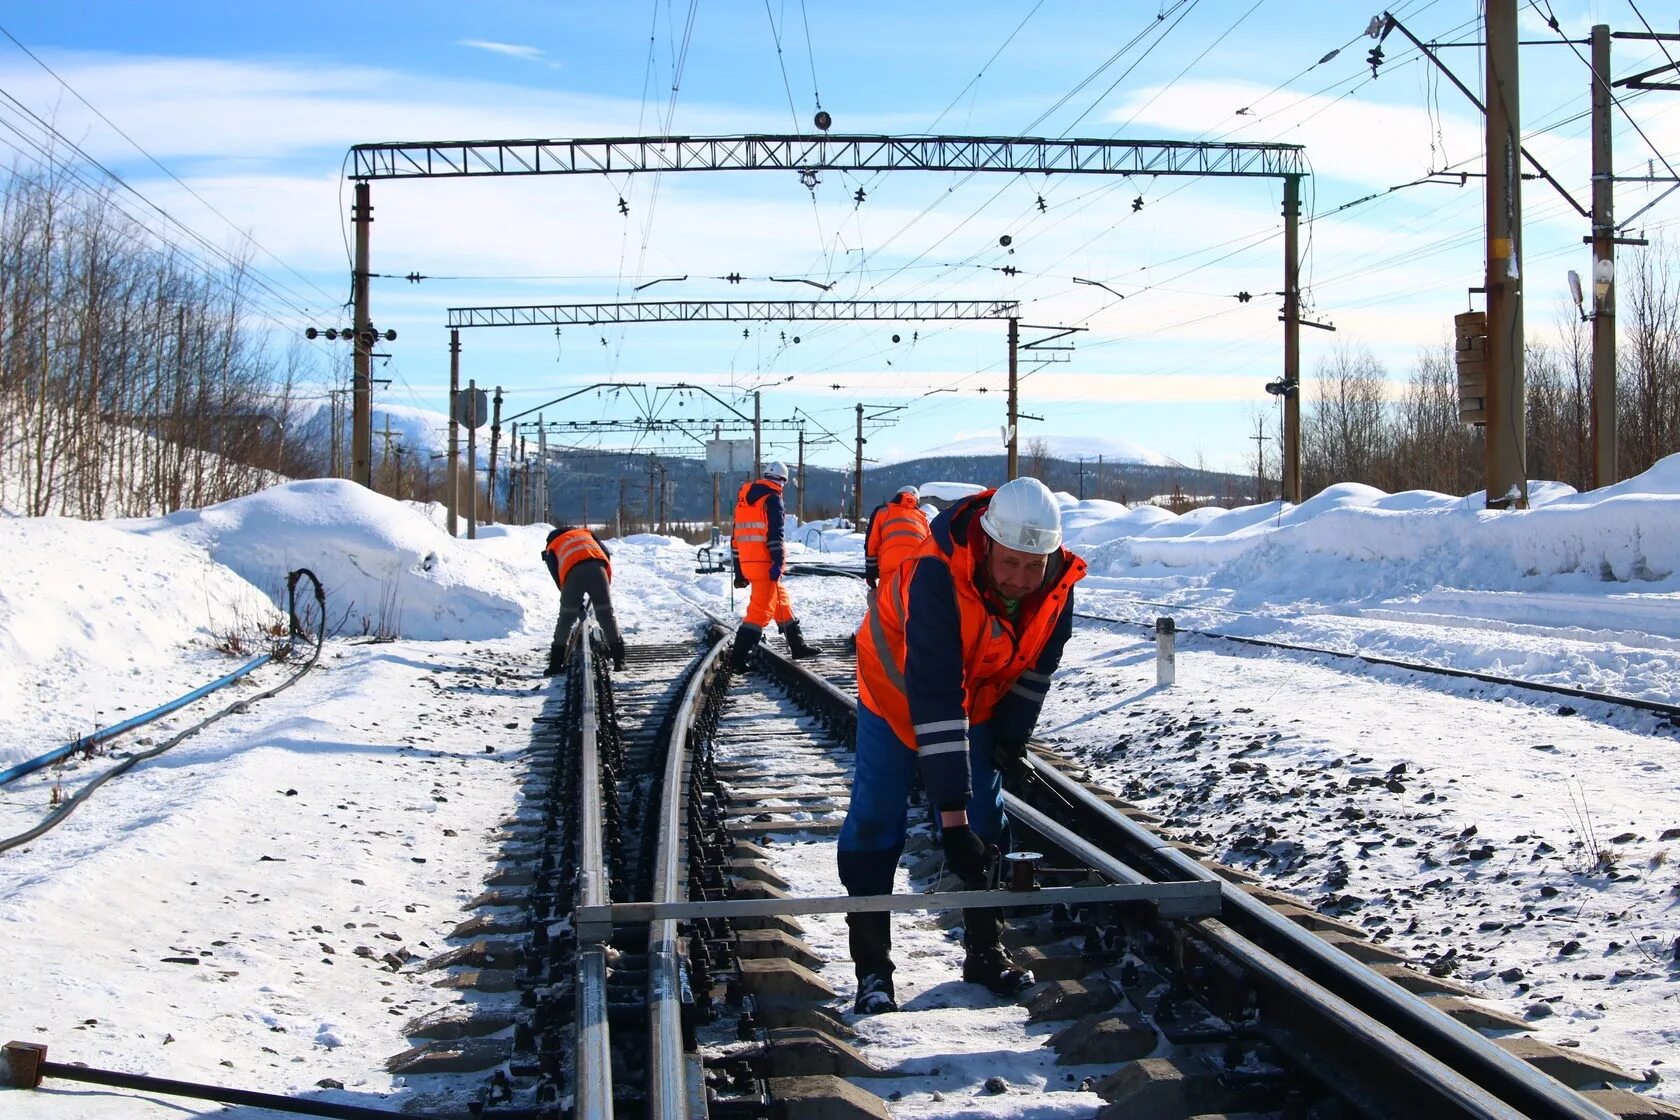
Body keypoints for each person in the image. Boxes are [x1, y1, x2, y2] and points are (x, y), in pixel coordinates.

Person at [838, 476, 1085, 1014]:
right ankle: (872, 968)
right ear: (988, 545)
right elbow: (934, 689)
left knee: (986, 816)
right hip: (895, 684)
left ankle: (985, 949)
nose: (1020, 579)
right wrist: (949, 817)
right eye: (1009, 563)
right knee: (878, 816)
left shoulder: (1058, 586)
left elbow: (1035, 671)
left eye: (1032, 565)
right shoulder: (936, 574)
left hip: (972, 690)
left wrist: (1009, 742)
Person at [729, 461, 821, 670]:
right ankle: (738, 660)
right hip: (765, 563)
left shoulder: (743, 501)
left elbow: (735, 539)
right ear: (782, 481)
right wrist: (778, 563)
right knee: (760, 612)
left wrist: (739, 571)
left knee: (781, 601)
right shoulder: (772, 499)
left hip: (748, 561)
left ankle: (797, 646)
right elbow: (775, 536)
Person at [542, 524, 625, 674]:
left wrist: (574, 604)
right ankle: (620, 661)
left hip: (573, 575)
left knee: (566, 619)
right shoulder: (586, 533)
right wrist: (603, 581)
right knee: (606, 615)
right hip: (598, 569)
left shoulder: (552, 546)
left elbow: (557, 576)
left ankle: (555, 665)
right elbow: (606, 553)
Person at [864, 485, 931, 591]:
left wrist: (870, 572)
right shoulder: (923, 519)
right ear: (916, 501)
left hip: (889, 567)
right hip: (916, 569)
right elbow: (930, 549)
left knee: (885, 604)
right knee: (912, 604)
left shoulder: (882, 512)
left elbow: (872, 543)